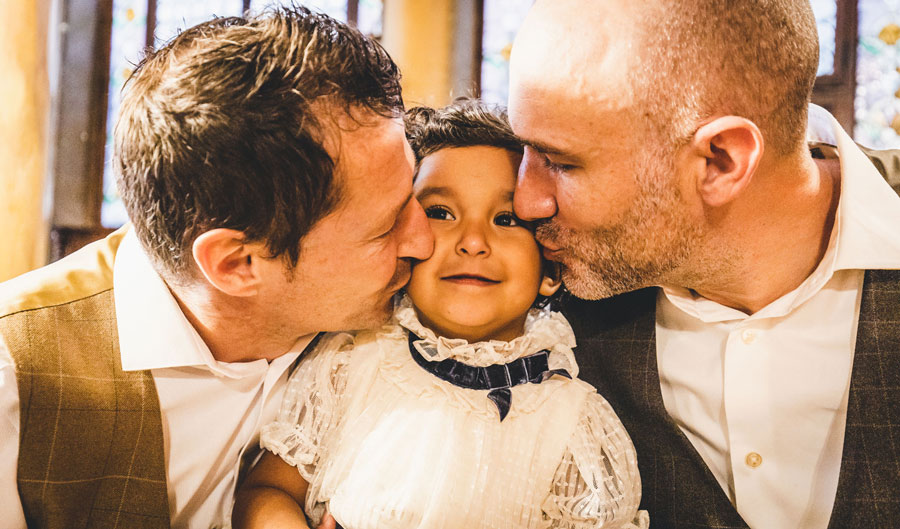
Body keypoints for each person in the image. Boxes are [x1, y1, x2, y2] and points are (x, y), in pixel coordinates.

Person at [0, 7, 432, 528]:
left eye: (417, 194)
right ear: (238, 264)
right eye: (385, 228)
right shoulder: (16, 378)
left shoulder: (420, 326)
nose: (425, 240)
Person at [507, 1, 900, 528]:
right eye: (522, 151)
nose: (526, 202)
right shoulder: (524, 293)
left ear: (721, 161)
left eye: (560, 162)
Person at [232, 100, 648, 529]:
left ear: (550, 270)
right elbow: (268, 491)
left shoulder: (573, 424)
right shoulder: (352, 359)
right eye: (440, 213)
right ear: (404, 239)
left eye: (506, 219)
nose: (472, 241)